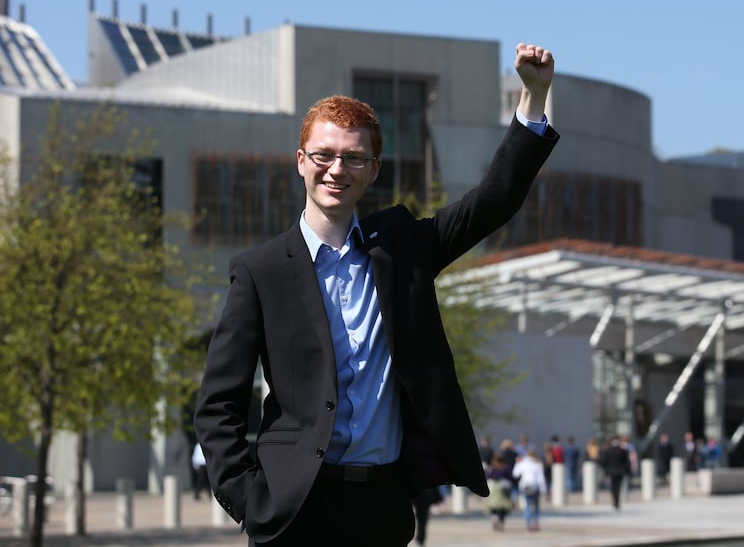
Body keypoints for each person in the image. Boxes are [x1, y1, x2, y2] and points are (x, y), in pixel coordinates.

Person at [193, 41, 559, 546]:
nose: (336, 169)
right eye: (323, 155)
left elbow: (493, 200)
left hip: (382, 506)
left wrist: (534, 97)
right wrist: (246, 498)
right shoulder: (260, 272)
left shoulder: (403, 248)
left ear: (373, 169)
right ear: (301, 161)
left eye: (352, 158)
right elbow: (218, 403)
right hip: (293, 509)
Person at [512, 448, 547, 532]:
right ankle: (536, 523)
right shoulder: (537, 464)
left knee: (527, 506)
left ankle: (528, 525)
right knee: (536, 506)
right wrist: (543, 489)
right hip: (535, 486)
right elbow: (540, 478)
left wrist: (517, 463)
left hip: (525, 486)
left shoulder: (522, 463)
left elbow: (515, 474)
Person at [485, 453, 515, 531]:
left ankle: (494, 518)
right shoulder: (506, 468)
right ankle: (501, 521)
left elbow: (489, 477)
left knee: (493, 506)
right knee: (502, 507)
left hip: (494, 489)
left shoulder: (492, 468)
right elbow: (511, 478)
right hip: (504, 490)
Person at [603, 436, 631, 510]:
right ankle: (617, 502)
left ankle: (615, 501)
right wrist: (627, 471)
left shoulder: (608, 451)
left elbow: (604, 462)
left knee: (613, 487)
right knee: (618, 487)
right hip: (620, 472)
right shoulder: (622, 450)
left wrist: (606, 471)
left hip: (611, 472)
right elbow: (627, 462)